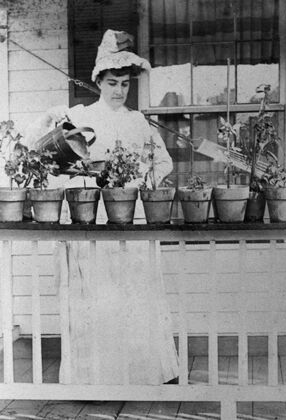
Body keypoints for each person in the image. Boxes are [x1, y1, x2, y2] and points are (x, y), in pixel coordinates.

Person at [24, 29, 179, 385]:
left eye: (125, 83)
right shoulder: (78, 116)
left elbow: (163, 163)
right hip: (92, 217)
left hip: (129, 214)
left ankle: (140, 376)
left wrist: (137, 180)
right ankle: (96, 378)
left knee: (132, 293)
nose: (119, 91)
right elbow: (39, 145)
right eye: (112, 82)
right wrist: (56, 122)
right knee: (96, 296)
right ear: (97, 81)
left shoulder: (137, 122)